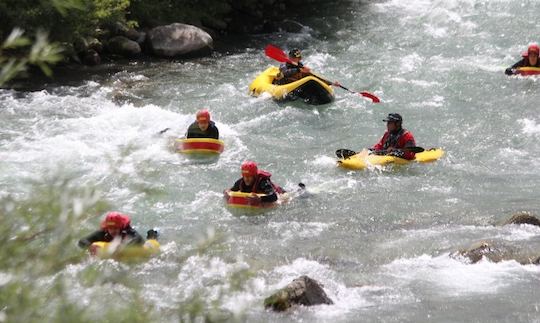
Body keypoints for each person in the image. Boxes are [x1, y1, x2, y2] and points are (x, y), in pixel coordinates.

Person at [78, 212, 144, 249]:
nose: (113, 231)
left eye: (115, 228)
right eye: (110, 228)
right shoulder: (102, 233)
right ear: (107, 227)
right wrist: (90, 246)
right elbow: (82, 241)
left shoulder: (127, 231)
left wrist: (124, 247)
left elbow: (139, 239)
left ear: (120, 227)